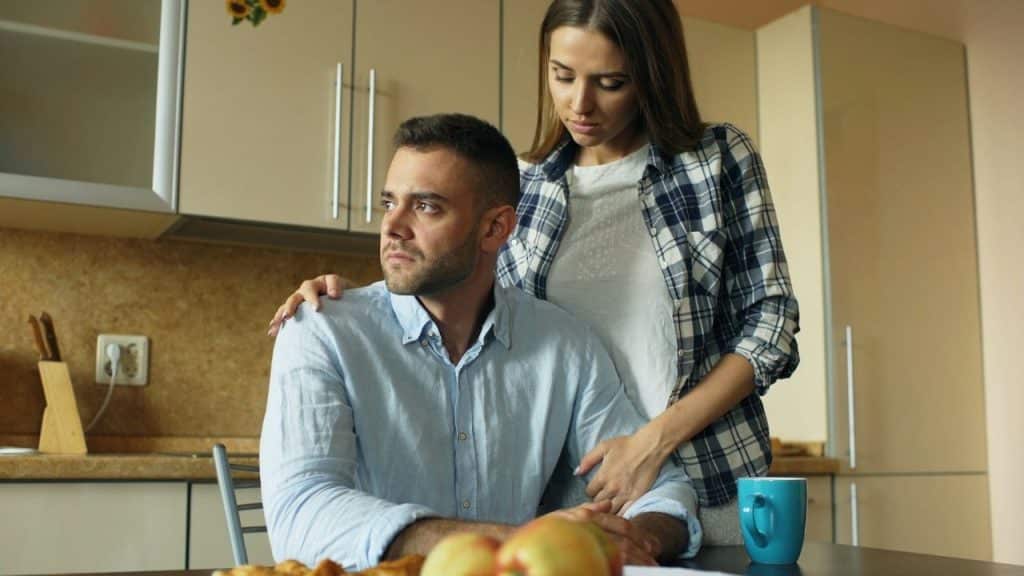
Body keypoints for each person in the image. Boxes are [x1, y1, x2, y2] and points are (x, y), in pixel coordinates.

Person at [268, 0, 799, 545]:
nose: (579, 103)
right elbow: (465, 289)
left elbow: (772, 320)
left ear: (651, 77)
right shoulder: (532, 183)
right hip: (568, 492)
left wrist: (653, 441)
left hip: (698, 475)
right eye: (562, 75)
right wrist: (351, 305)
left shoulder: (715, 160)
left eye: (611, 82)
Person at [260, 113, 702, 571]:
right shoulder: (320, 329)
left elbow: (664, 491)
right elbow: (301, 514)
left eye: (426, 206)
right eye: (388, 202)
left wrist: (635, 539)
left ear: (495, 229)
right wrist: (518, 542)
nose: (393, 226)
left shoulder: (564, 345)